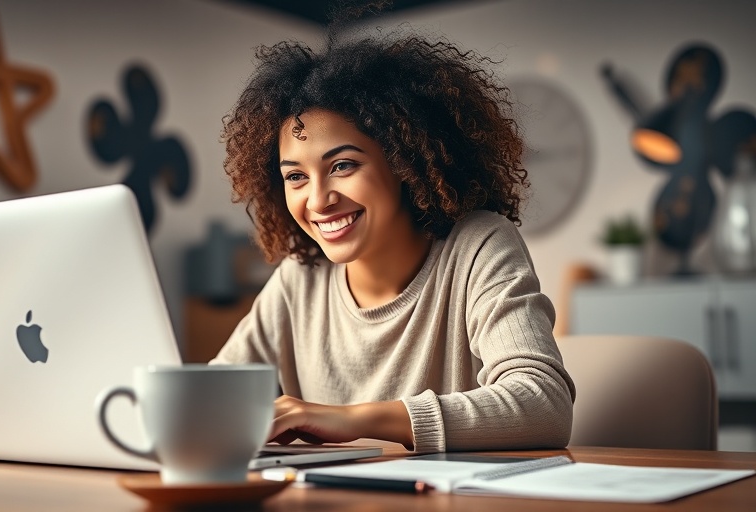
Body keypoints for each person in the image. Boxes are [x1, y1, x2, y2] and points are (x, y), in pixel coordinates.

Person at [211, 22, 575, 453]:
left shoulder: (477, 246)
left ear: (404, 162)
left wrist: (350, 420)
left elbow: (544, 404)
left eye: (343, 165)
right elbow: (215, 394)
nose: (318, 199)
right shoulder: (300, 278)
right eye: (295, 176)